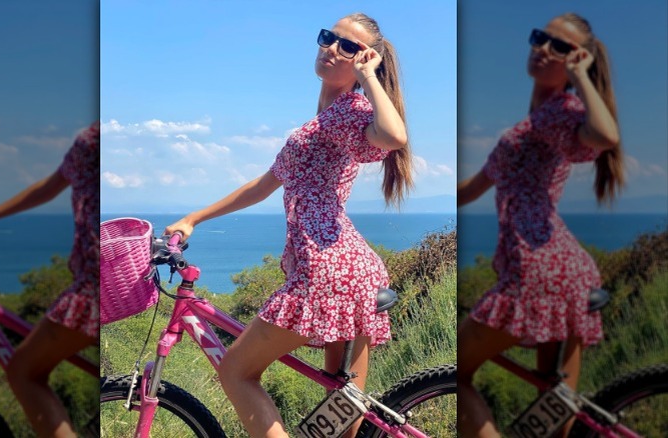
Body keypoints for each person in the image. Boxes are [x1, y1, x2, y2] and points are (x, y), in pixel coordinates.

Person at [165, 12, 412, 438]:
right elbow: (262, 187)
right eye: (328, 38)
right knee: (342, 401)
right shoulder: (320, 121)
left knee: (235, 372)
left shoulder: (348, 111)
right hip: (347, 266)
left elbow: (393, 137)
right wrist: (193, 218)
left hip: (328, 269)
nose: (332, 49)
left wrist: (368, 78)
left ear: (364, 59)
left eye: (348, 47)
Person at [457, 13, 623, 437]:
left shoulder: (559, 113)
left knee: (453, 373)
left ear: (577, 60)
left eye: (561, 47)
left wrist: (580, 76)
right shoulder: (528, 127)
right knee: (554, 401)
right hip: (561, 268)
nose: (544, 48)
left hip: (537, 270)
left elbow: (605, 136)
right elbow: (472, 189)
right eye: (541, 38)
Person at [0, 122, 99, 437]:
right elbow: (51, 185)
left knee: (24, 372)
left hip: (94, 289)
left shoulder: (94, 139)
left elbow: (50, 186)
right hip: (115, 280)